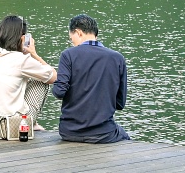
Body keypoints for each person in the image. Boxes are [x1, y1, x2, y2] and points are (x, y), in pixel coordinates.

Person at [51, 13, 129, 143]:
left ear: (78, 32)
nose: (73, 43)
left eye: (72, 39)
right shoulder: (117, 58)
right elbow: (120, 103)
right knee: (126, 137)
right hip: (104, 133)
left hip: (69, 132)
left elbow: (59, 92)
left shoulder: (68, 55)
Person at [0, 15, 57, 134]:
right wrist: (33, 53)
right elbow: (53, 77)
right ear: (22, 38)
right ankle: (31, 123)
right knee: (41, 80)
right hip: (7, 125)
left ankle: (33, 123)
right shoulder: (22, 60)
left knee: (20, 81)